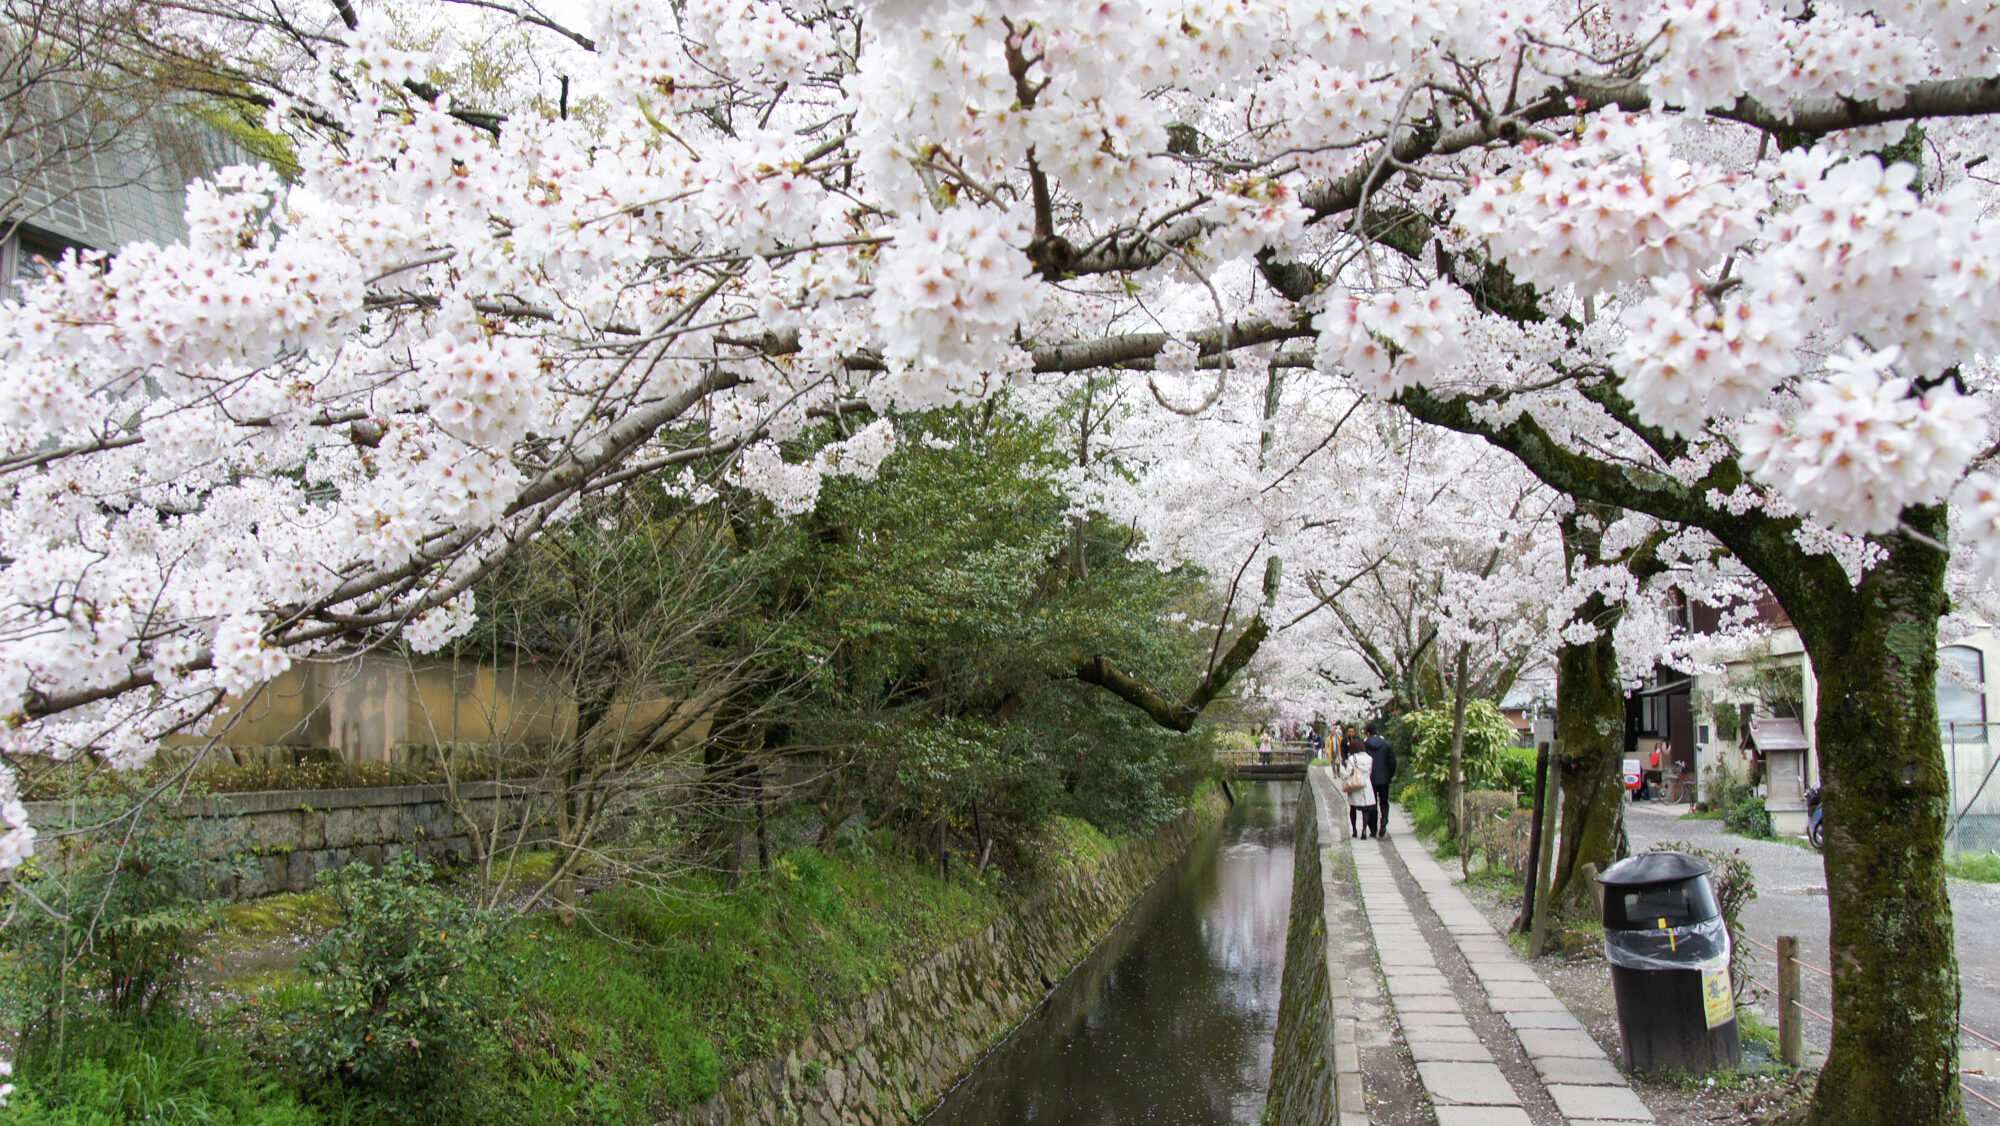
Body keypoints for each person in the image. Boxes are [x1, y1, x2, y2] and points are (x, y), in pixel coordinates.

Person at [1365, 722, 1397, 836]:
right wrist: (1390, 775)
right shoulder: (1386, 744)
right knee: (1384, 802)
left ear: (1368, 733)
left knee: (1371, 804)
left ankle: (1373, 829)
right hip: (1384, 779)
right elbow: (1392, 762)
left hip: (1370, 779)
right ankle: (1384, 820)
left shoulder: (1365, 745)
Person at [1345, 741, 1376, 838]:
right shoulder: (1370, 758)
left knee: (1353, 808)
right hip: (1366, 785)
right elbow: (1370, 772)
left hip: (1355, 785)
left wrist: (1345, 779)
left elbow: (1347, 772)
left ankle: (1354, 830)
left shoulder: (1352, 758)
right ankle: (1364, 831)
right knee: (1365, 810)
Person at [1340, 726, 1366, 836]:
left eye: (1352, 731)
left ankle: (1357, 830)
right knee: (1362, 807)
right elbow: (1343, 751)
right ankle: (1361, 829)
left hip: (1354, 783)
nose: (1351, 733)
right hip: (1363, 784)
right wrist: (1344, 759)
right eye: (1349, 731)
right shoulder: (1344, 741)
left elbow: (1347, 773)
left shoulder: (1357, 739)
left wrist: (1344, 777)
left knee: (1353, 807)